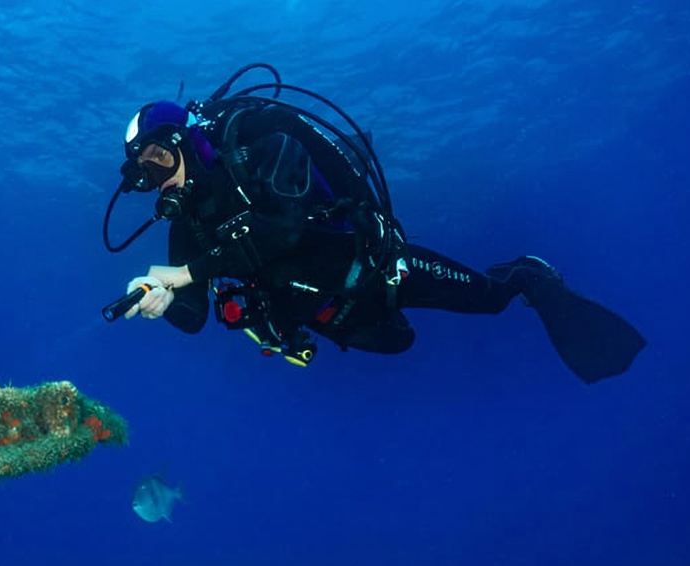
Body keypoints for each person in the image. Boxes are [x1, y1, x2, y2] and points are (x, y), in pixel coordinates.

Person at [101, 64, 646, 382]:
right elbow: (193, 312)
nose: (159, 180)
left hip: (383, 268)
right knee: (399, 343)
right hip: (331, 315)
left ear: (189, 143)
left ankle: (528, 275)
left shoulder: (261, 144)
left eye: (160, 160)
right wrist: (161, 298)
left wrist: (190, 272)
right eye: (142, 174)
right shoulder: (189, 221)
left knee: (491, 298)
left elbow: (286, 227)